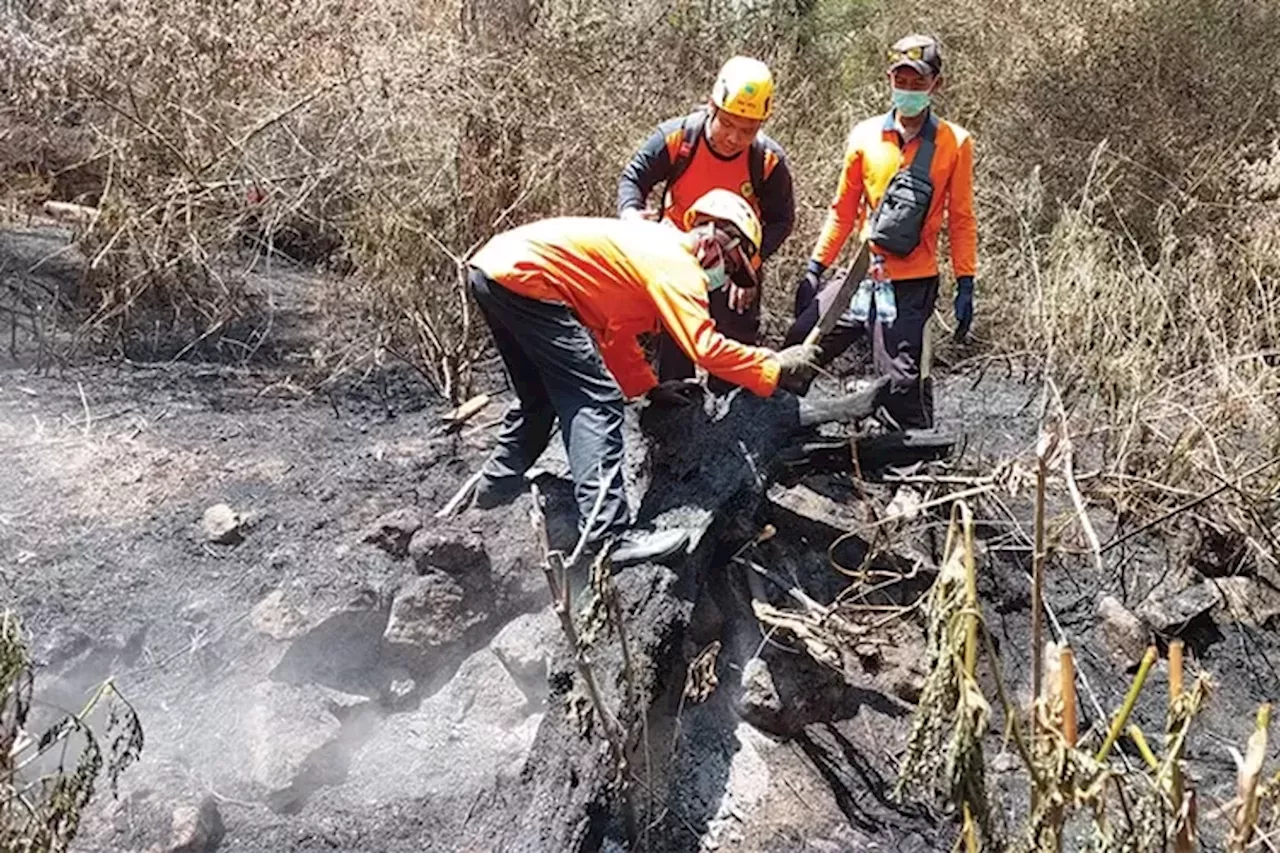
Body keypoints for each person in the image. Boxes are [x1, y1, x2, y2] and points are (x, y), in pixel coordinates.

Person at [462, 189, 818, 562]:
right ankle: (607, 535)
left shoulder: (651, 249)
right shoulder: (678, 264)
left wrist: (648, 390)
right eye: (730, 267)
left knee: (539, 398)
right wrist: (774, 366)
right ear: (716, 242)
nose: (725, 277)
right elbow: (706, 349)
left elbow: (613, 332)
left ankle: (495, 487)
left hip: (495, 270)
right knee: (596, 400)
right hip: (527, 278)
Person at [785, 34, 977, 429]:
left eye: (917, 82)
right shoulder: (864, 137)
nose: (907, 90)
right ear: (889, 79)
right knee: (800, 347)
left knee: (902, 385)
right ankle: (777, 430)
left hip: (912, 281)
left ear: (935, 85)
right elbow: (842, 211)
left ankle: (912, 473)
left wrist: (966, 280)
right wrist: (816, 267)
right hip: (861, 274)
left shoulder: (955, 143)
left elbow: (961, 217)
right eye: (900, 81)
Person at [618, 56, 796, 391]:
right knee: (677, 351)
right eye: (727, 123)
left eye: (748, 130)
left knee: (734, 357)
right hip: (677, 261)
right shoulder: (678, 139)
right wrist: (630, 213)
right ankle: (676, 424)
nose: (734, 137)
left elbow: (781, 220)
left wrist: (748, 267)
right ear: (712, 106)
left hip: (734, 268)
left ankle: (728, 426)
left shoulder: (768, 160)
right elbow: (634, 177)